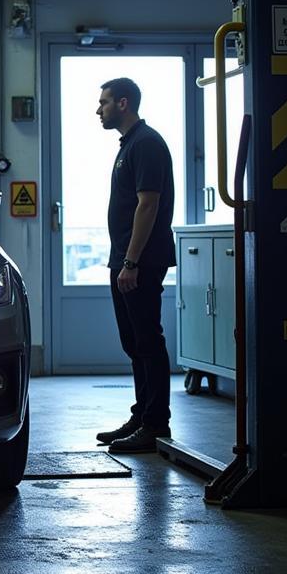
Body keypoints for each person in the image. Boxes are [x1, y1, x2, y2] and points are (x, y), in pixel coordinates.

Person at [94, 77, 176, 452]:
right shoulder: (130, 145)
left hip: (140, 261)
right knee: (133, 342)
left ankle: (156, 424)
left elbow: (148, 204)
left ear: (123, 104)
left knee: (147, 339)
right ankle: (142, 415)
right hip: (126, 260)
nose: (99, 109)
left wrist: (131, 261)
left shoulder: (146, 144)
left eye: (105, 102)